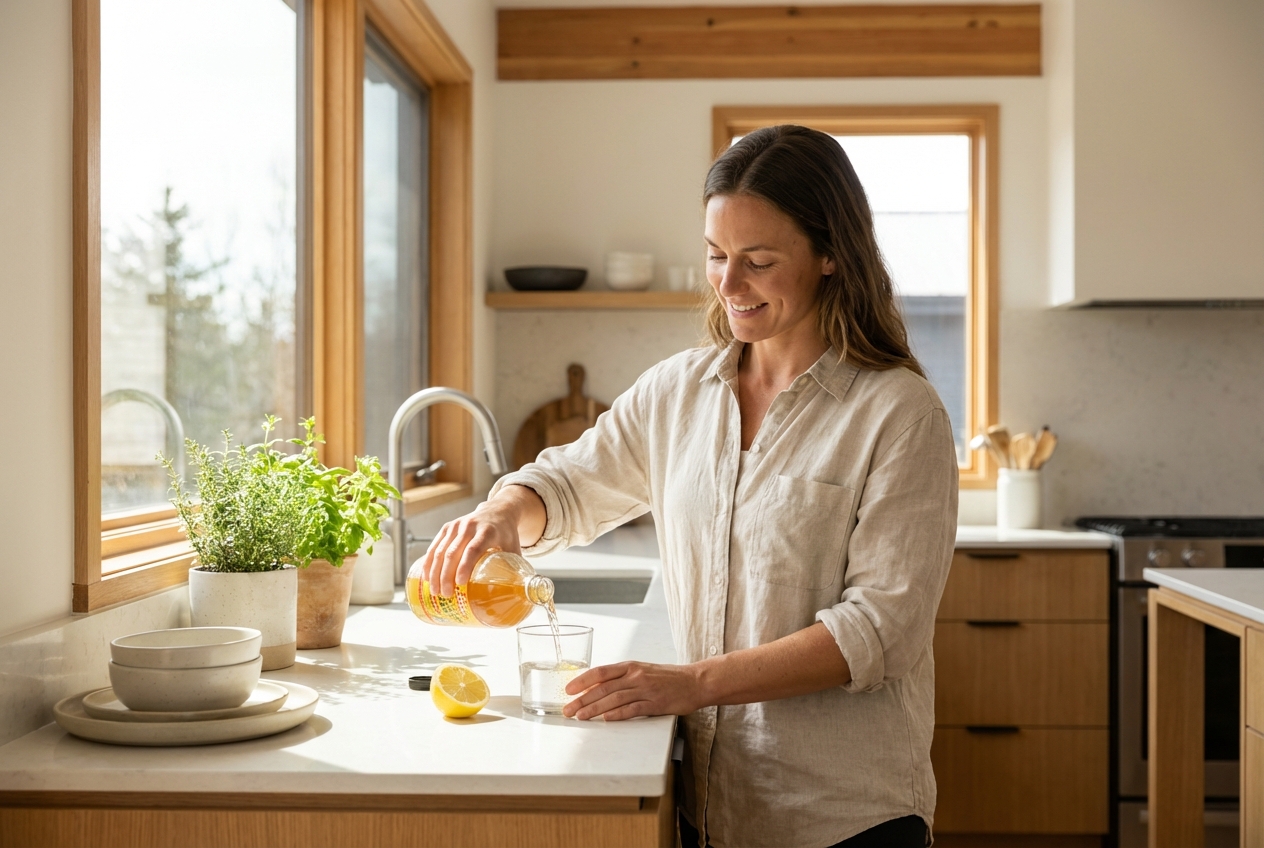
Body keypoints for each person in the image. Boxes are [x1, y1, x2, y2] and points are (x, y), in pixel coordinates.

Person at [420, 124, 958, 848]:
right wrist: (500, 515)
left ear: (831, 254)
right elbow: (569, 484)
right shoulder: (677, 392)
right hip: (712, 810)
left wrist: (693, 683)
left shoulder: (899, 413)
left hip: (843, 818)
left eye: (758, 261)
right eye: (715, 255)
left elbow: (881, 631)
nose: (729, 285)